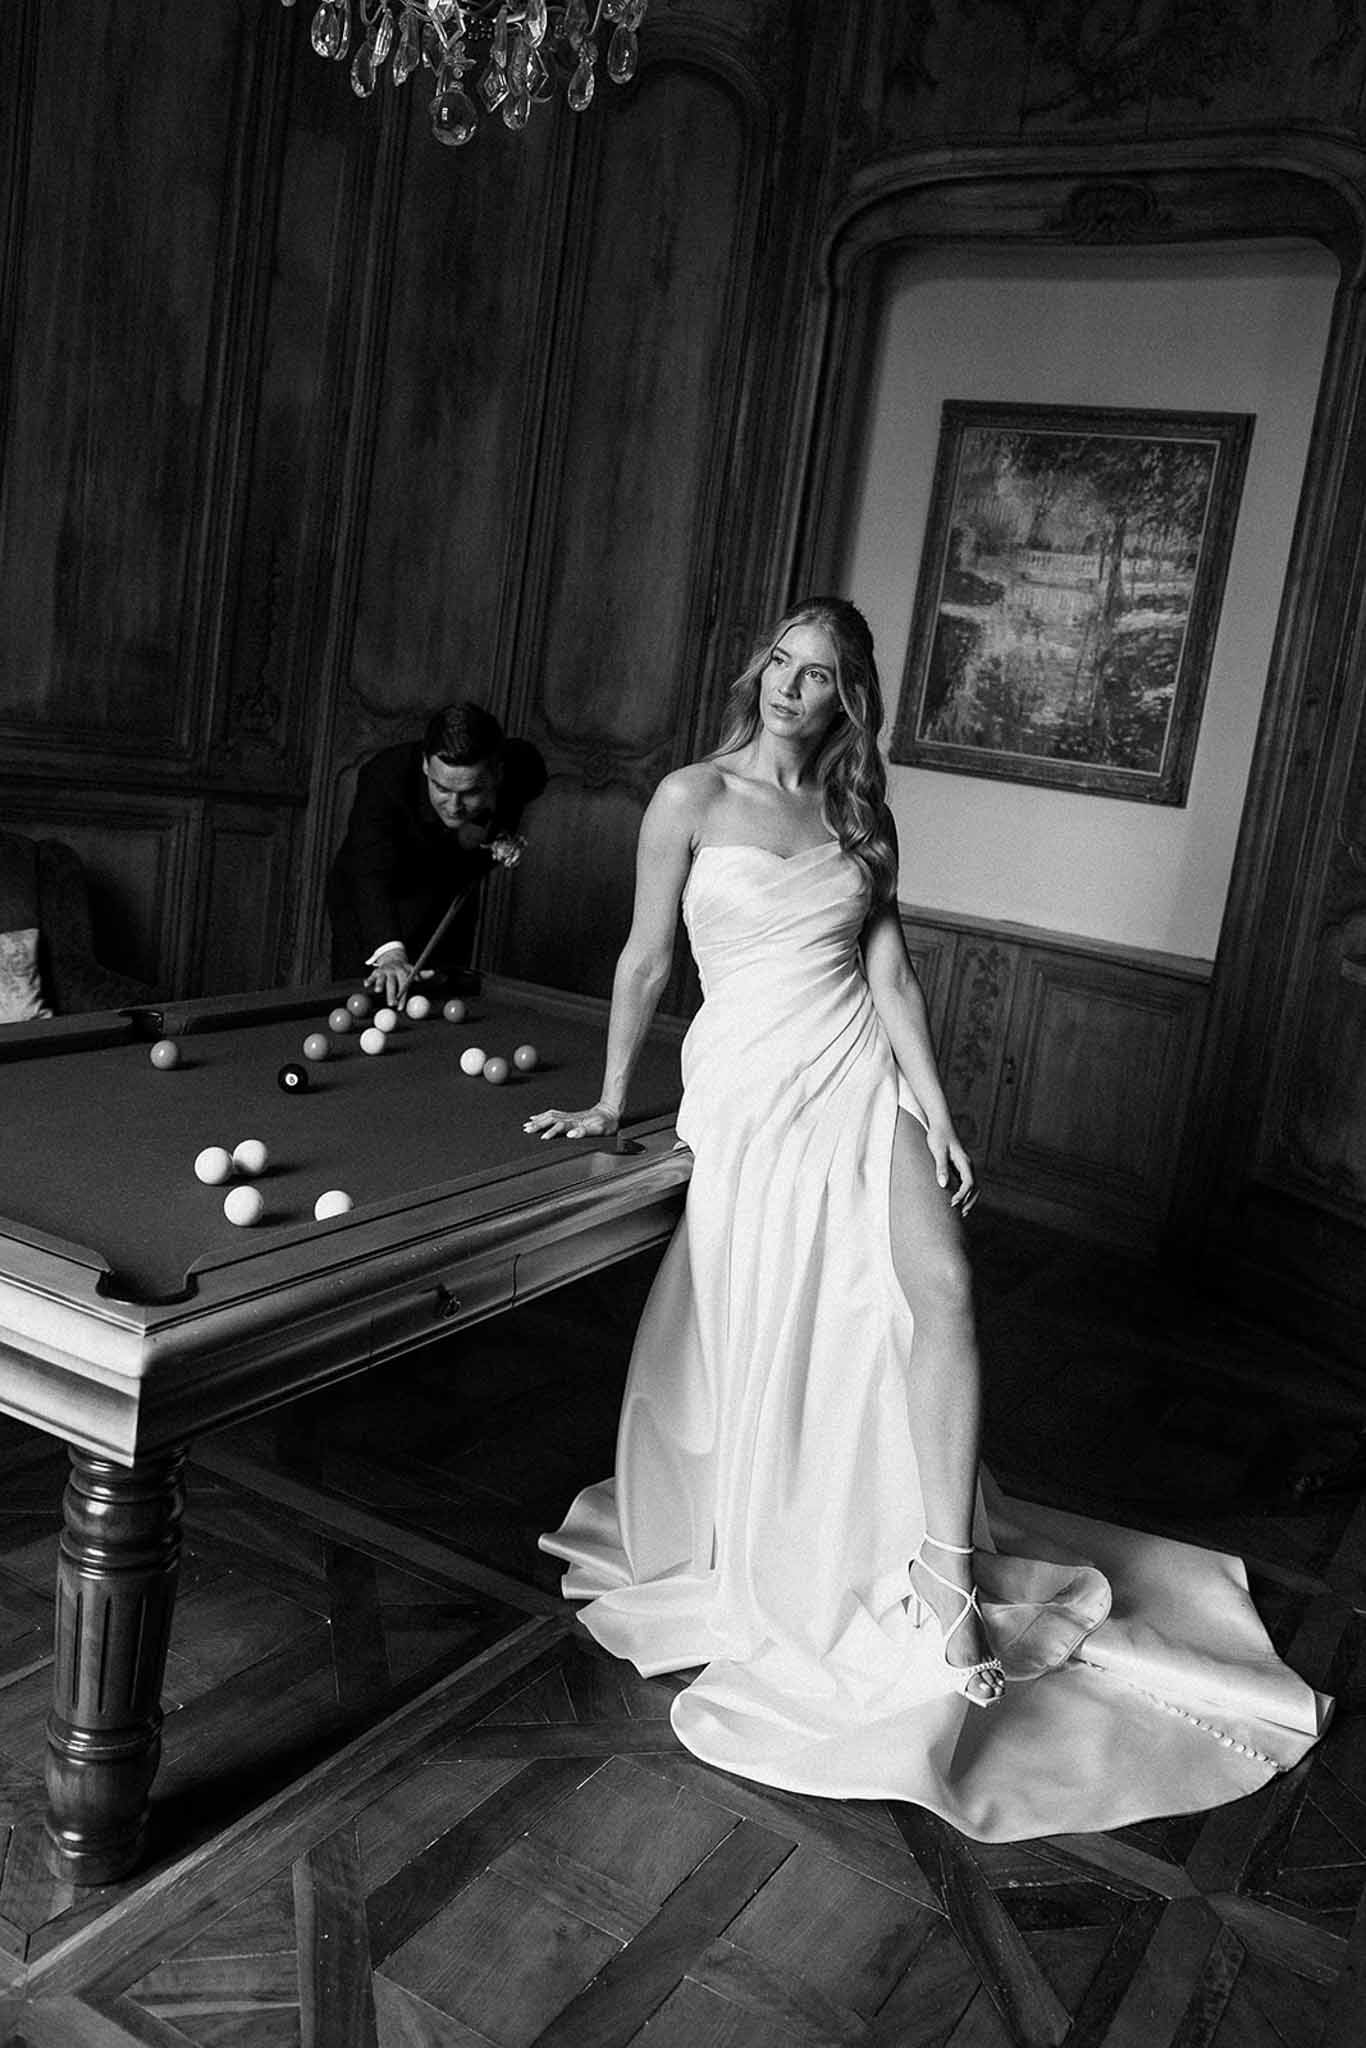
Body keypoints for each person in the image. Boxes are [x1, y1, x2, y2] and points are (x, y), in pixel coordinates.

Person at [528, 595, 1330, 1841]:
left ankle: (945, 1579)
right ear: (761, 675)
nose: (797, 689)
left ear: (852, 694)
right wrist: (608, 1100)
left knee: (942, 1289)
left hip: (860, 1065)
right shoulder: (689, 796)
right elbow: (645, 961)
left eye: (824, 672)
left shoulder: (860, 811)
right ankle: (800, 1532)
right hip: (749, 1081)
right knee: (798, 1315)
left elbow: (889, 971)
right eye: (783, 665)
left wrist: (941, 1111)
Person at [326, 702, 547, 1006]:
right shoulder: (383, 779)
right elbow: (369, 874)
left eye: (470, 792)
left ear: (497, 773)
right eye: (441, 788)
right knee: (374, 994)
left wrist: (496, 829)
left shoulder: (521, 765)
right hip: (376, 901)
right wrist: (390, 953)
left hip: (449, 890)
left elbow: (530, 778)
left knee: (442, 992)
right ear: (426, 766)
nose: (454, 806)